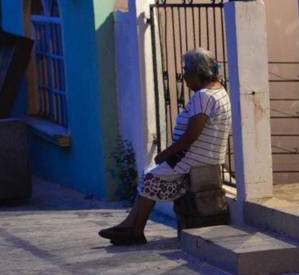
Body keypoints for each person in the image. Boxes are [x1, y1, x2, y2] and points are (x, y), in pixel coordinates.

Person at [98, 48, 231, 246]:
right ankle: (130, 226)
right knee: (150, 174)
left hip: (194, 158)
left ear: (197, 72)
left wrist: (165, 154)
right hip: (200, 155)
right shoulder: (219, 90)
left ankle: (135, 229)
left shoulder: (204, 97)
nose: (184, 78)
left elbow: (190, 136)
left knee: (152, 176)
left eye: (186, 73)